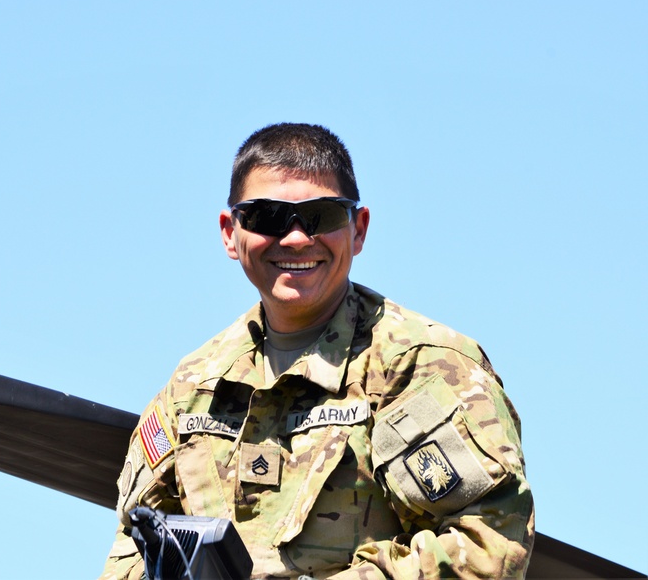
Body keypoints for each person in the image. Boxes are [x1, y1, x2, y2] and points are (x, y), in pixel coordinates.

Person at [100, 123, 534, 579]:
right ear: (231, 233)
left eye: (321, 216)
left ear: (358, 229)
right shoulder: (192, 388)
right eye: (267, 216)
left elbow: (487, 546)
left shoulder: (420, 366)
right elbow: (133, 547)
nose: (295, 239)